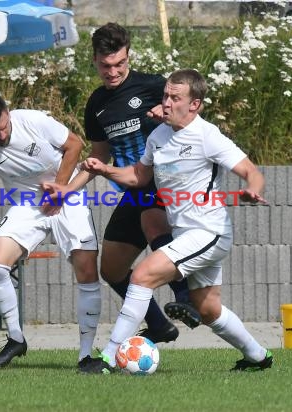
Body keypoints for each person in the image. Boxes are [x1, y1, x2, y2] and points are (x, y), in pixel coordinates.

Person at [78, 69, 273, 373]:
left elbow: (252, 172)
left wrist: (253, 190)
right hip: (186, 235)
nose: (166, 102)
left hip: (210, 231)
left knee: (142, 274)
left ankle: (107, 358)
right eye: (165, 95)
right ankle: (259, 356)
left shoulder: (207, 136)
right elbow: (138, 176)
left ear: (194, 104)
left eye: (174, 97)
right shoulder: (158, 136)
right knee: (208, 310)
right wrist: (105, 170)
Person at [0, 93, 102, 371]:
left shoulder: (32, 120)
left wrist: (59, 189)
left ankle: (86, 355)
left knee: (87, 271)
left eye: (4, 126)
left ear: (8, 112)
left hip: (65, 195)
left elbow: (75, 145)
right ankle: (15, 338)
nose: (2, 134)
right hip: (27, 203)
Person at [79, 22, 201, 342]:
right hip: (133, 188)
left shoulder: (153, 87)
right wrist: (66, 190)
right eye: (106, 65)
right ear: (94, 60)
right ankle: (159, 325)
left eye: (120, 63)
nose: (113, 71)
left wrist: (169, 115)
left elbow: (192, 119)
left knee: (153, 222)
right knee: (112, 270)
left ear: (128, 57)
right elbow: (99, 156)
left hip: (166, 181)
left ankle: (185, 297)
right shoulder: (96, 105)